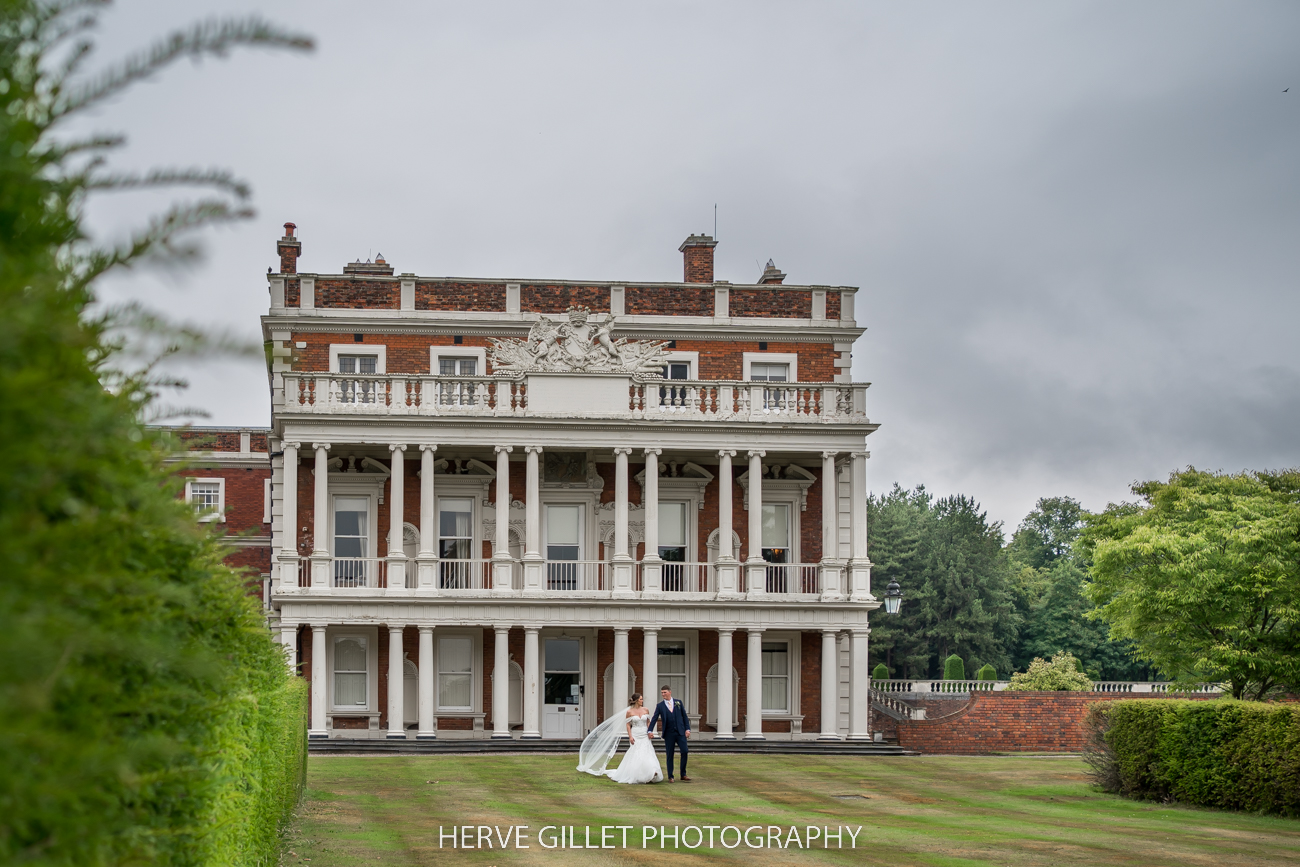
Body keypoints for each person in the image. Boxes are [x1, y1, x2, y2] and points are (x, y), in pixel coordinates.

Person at [603, 693, 663, 784]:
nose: (642, 701)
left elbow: (648, 722)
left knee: (648, 752)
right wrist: (630, 736)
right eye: (641, 699)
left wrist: (650, 732)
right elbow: (628, 725)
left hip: (644, 733)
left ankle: (652, 771)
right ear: (636, 701)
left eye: (642, 699)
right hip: (635, 733)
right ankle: (637, 774)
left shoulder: (646, 710)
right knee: (636, 753)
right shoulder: (629, 712)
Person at [647, 685, 691, 782]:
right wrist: (650, 730)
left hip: (680, 732)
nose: (663, 694)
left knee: (685, 751)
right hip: (669, 733)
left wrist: (687, 729)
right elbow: (654, 718)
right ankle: (670, 776)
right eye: (662, 693)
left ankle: (683, 774)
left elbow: (684, 717)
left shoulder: (678, 703)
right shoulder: (660, 706)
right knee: (669, 754)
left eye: (665, 692)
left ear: (670, 692)